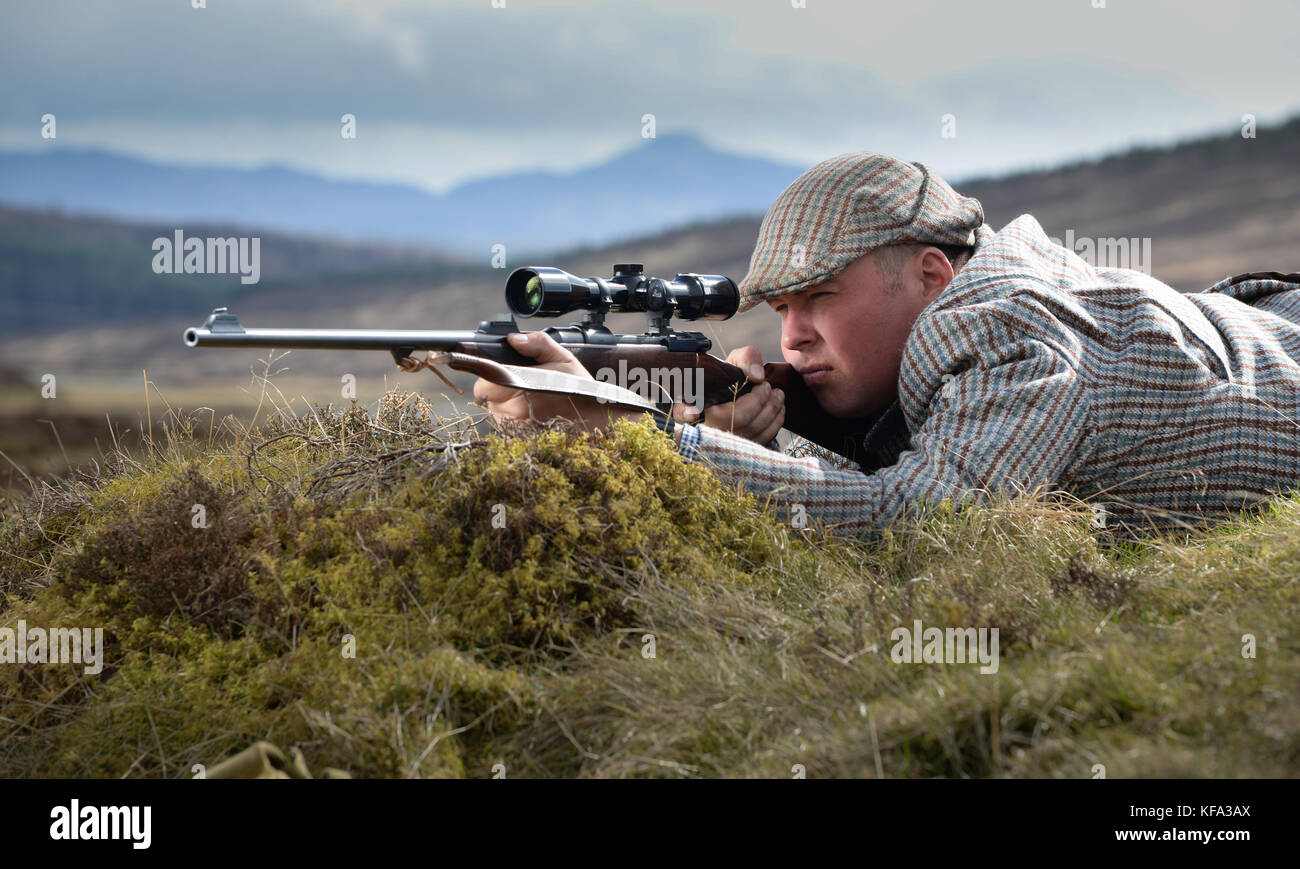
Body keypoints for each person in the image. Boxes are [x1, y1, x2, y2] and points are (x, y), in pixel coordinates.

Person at [472, 152, 1300, 534]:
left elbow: (910, 523)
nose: (793, 334)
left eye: (822, 296)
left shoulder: (1013, 334)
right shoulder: (965, 325)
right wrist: (730, 442)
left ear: (934, 275)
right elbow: (912, 466)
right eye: (782, 306)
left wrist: (635, 433)